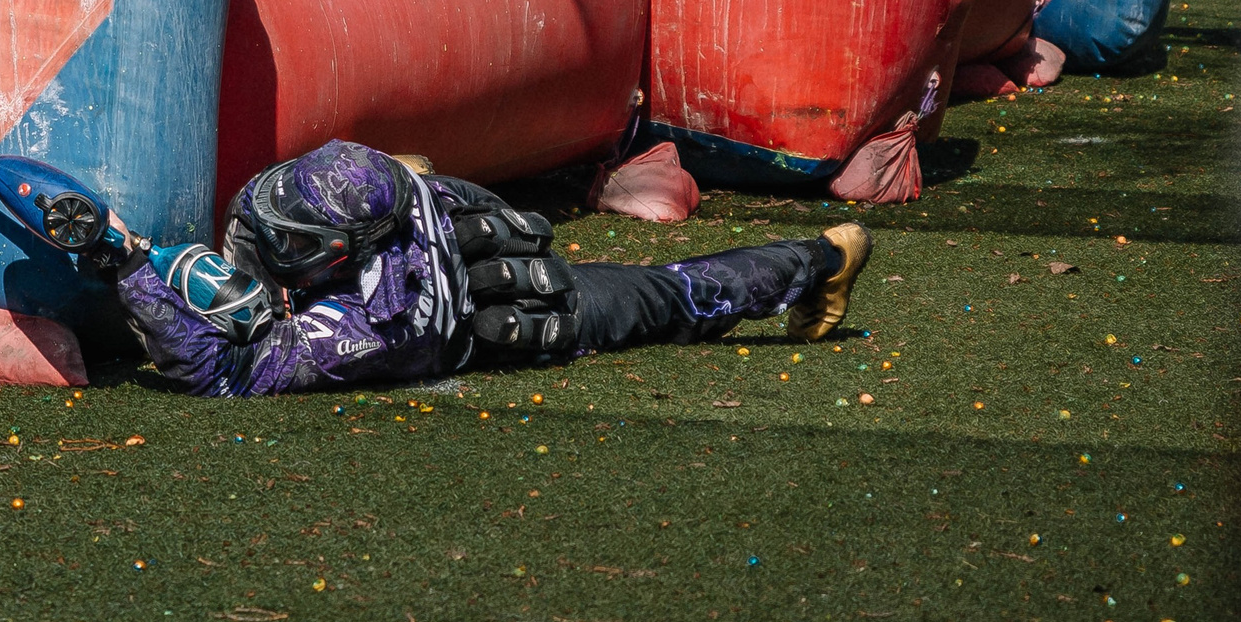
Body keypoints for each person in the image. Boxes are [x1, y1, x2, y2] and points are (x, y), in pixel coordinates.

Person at [101, 139, 871, 397]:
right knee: (664, 289)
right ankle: (818, 255)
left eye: (293, 239)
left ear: (348, 255)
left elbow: (229, 375)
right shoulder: (378, 183)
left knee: (672, 297)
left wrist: (128, 267)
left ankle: (820, 259)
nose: (258, 227)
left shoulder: (379, 319)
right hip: (474, 254)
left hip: (529, 319)